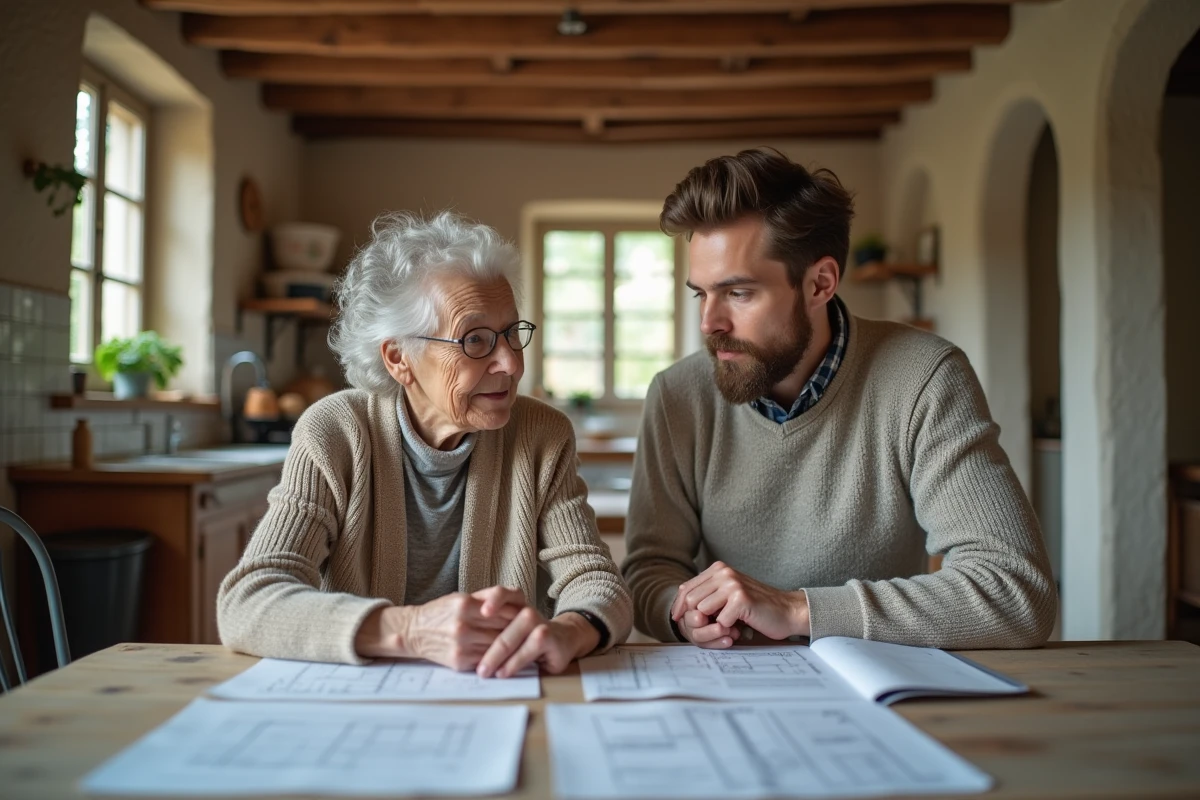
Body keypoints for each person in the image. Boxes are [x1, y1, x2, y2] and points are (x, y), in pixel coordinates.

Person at [623, 148, 1056, 650]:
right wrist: (683, 615)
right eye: (701, 293)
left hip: (886, 683)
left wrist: (797, 610)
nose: (708, 323)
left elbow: (1015, 590)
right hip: (729, 678)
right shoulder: (677, 396)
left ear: (819, 284)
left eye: (738, 293)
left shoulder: (925, 378)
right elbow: (649, 571)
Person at [219, 211, 631, 677]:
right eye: (475, 340)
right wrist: (410, 630)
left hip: (498, 688)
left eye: (512, 334)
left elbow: (598, 581)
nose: (511, 364)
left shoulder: (542, 434)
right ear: (399, 357)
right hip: (366, 697)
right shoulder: (334, 433)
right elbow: (248, 601)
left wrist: (569, 630)